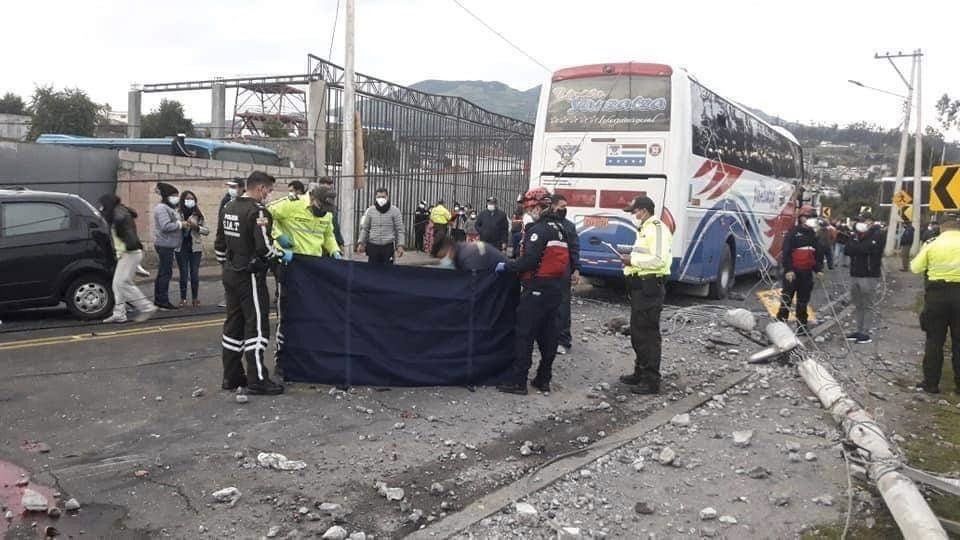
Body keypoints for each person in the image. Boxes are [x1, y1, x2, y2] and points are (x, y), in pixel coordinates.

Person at [214, 171, 286, 395]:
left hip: (230, 273)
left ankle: (232, 376)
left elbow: (219, 244)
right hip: (250, 276)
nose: (269, 195)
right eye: (269, 190)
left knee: (233, 325)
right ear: (261, 188)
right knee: (256, 326)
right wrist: (281, 255)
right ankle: (257, 379)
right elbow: (264, 248)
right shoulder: (258, 213)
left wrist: (227, 266)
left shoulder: (229, 207)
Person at [495, 187, 571, 395]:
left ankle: (518, 381)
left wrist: (507, 266)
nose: (528, 211)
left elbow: (529, 260)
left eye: (529, 207)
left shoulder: (539, 230)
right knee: (548, 335)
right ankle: (543, 378)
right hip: (555, 288)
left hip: (537, 288)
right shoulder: (560, 228)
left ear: (538, 206)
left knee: (525, 334)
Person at [618, 196, 673, 395]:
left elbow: (658, 260)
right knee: (638, 333)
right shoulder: (645, 229)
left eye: (634, 212)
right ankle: (640, 373)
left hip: (650, 287)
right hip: (640, 287)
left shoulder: (656, 228)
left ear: (643, 210)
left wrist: (632, 261)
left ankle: (651, 380)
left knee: (647, 335)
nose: (634, 216)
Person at [910, 213, 960, 394]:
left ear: (941, 226)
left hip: (937, 296)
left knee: (934, 341)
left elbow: (915, 267)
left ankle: (931, 383)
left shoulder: (933, 244)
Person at [98, 194, 157, 324]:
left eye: (102, 205)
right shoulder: (119, 211)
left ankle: (146, 307)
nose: (100, 208)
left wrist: (108, 218)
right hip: (127, 253)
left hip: (130, 253)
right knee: (117, 285)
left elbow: (123, 227)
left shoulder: (118, 214)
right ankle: (119, 313)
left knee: (122, 283)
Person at [776, 205, 823, 334]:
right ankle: (780, 326)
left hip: (806, 274)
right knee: (787, 299)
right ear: (801, 218)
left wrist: (818, 269)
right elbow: (786, 253)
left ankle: (802, 327)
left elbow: (816, 255)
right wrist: (789, 269)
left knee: (803, 301)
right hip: (793, 273)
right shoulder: (793, 233)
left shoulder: (814, 235)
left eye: (812, 217)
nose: (809, 220)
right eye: (807, 217)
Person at [844, 212, 883, 344]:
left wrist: (856, 246)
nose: (862, 223)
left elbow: (866, 249)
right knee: (858, 304)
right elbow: (847, 250)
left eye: (865, 221)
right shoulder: (855, 235)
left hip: (869, 275)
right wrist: (855, 244)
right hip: (855, 273)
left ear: (871, 222)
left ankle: (865, 332)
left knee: (868, 304)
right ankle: (858, 329)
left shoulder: (877, 234)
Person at [553, 194, 581, 355]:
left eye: (565, 206)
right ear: (554, 206)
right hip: (547, 272)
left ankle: (563, 340)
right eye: (562, 206)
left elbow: (574, 248)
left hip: (563, 271)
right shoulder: (547, 224)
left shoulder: (568, 226)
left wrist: (576, 269)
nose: (564, 209)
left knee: (563, 306)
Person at [153, 182, 187, 310]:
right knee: (165, 273)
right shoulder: (162, 208)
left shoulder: (169, 208)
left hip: (168, 245)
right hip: (164, 245)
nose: (176, 198)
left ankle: (159, 300)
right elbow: (165, 226)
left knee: (164, 272)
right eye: (174, 195)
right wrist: (180, 225)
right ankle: (162, 301)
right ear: (167, 195)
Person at [176, 191, 209, 308]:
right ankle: (183, 298)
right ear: (183, 200)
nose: (189, 201)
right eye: (187, 199)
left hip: (195, 248)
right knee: (183, 274)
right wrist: (181, 225)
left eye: (192, 199)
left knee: (194, 274)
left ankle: (195, 299)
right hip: (181, 247)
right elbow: (173, 227)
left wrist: (197, 227)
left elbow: (207, 231)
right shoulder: (178, 213)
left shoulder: (198, 214)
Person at [357, 187, 405, 265]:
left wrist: (400, 245)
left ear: (387, 197)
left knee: (388, 272)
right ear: (375, 197)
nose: (381, 199)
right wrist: (361, 243)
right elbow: (365, 228)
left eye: (383, 197)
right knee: (372, 271)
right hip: (373, 247)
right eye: (379, 197)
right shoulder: (370, 211)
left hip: (388, 247)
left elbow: (400, 230)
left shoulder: (395, 211)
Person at [431, 235, 506, 271]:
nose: (443, 261)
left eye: (443, 257)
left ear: (449, 249)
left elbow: (475, 284)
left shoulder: (469, 255)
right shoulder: (461, 249)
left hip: (505, 281)